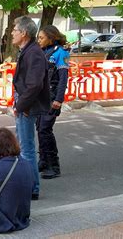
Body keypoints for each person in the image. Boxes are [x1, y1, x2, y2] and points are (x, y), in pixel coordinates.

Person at [11, 16, 50, 200]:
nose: (12, 33)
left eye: (15, 30)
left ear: (24, 33)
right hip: (24, 105)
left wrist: (20, 105)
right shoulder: (27, 50)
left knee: (26, 149)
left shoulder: (33, 52)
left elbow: (34, 85)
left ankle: (32, 187)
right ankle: (27, 184)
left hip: (27, 107)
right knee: (23, 147)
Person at [36, 25, 69, 179]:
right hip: (41, 98)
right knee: (40, 129)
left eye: (41, 38)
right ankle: (43, 160)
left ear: (50, 37)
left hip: (52, 98)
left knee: (45, 130)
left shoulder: (60, 53)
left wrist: (58, 99)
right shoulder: (42, 52)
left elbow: (63, 78)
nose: (39, 40)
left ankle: (53, 166)